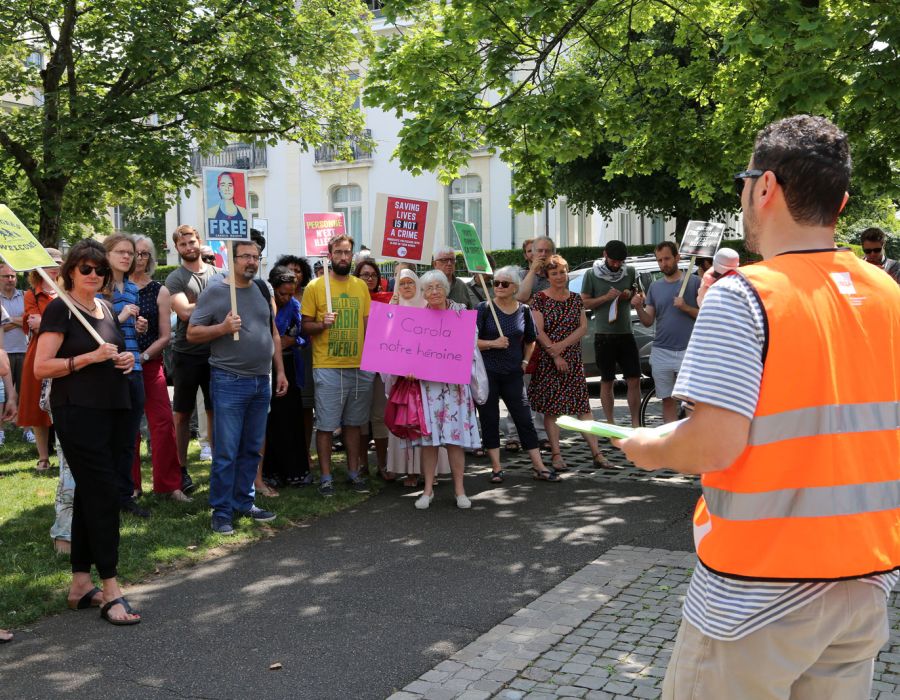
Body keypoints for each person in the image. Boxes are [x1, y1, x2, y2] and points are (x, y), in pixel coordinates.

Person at [616, 115, 900, 699]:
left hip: (755, 591)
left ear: (765, 186)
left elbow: (713, 444)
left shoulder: (744, 295)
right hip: (864, 580)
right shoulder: (888, 294)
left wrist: (650, 447)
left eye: (743, 181)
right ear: (841, 202)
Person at [34, 239, 141, 626]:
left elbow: (109, 356)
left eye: (100, 269)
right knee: (105, 495)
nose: (94, 274)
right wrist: (89, 358)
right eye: (85, 268)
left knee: (90, 493)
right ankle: (111, 589)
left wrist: (122, 359)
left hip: (113, 409)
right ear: (70, 272)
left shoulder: (106, 308)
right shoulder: (60, 309)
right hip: (78, 413)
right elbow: (41, 367)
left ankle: (80, 585)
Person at [188, 240, 287, 534]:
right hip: (229, 380)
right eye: (245, 256)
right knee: (227, 451)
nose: (251, 261)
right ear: (232, 259)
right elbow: (192, 332)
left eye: (256, 256)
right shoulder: (216, 292)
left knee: (252, 448)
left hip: (261, 380)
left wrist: (280, 371)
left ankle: (244, 501)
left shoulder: (262, 289)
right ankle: (221, 511)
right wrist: (222, 328)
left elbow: (273, 332)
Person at [301, 234, 373, 497]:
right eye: (339, 252)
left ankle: (353, 473)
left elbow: (368, 326)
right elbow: (304, 325)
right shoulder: (315, 287)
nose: (344, 257)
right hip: (328, 366)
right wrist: (322, 324)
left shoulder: (360, 286)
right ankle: (326, 477)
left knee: (354, 424)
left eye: (347, 252)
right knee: (326, 425)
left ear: (352, 255)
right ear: (330, 255)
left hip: (360, 366)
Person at [476, 266, 557, 483]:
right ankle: (496, 468)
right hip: (488, 373)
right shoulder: (484, 308)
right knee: (489, 419)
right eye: (496, 283)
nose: (499, 287)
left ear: (515, 287)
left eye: (505, 283)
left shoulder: (524, 310)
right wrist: (493, 343)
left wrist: (525, 361)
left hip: (513, 373)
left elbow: (531, 339)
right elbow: (470, 342)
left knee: (524, 419)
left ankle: (539, 466)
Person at [529, 254, 608, 470]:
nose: (559, 276)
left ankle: (597, 453)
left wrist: (561, 347)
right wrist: (555, 354)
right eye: (554, 273)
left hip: (572, 359)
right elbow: (538, 330)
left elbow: (583, 327)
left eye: (562, 272)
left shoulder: (575, 298)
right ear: (547, 276)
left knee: (583, 407)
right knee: (552, 410)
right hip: (548, 360)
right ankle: (556, 455)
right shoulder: (539, 298)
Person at [409, 270, 481, 509]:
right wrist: (409, 368)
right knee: (429, 442)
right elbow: (411, 351)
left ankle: (460, 491)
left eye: (438, 286)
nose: (434, 292)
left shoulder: (460, 313)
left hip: (454, 388)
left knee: (454, 440)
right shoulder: (418, 319)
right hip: (428, 387)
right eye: (429, 288)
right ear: (423, 293)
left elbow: (471, 346)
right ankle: (427, 490)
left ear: (445, 289)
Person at [129, 235, 190, 502]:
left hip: (150, 364)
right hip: (121, 367)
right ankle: (131, 485)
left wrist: (143, 356)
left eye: (144, 254)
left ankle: (169, 485)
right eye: (135, 253)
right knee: (128, 426)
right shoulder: (112, 288)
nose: (139, 258)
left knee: (163, 423)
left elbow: (165, 336)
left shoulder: (159, 290)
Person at [165, 225, 220, 493]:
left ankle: (220, 468)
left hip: (217, 354)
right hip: (186, 354)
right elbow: (185, 313)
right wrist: (215, 304)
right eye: (183, 244)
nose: (188, 247)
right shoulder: (175, 278)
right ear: (177, 248)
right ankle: (181, 469)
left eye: (192, 242)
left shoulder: (218, 274)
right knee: (182, 415)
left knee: (215, 412)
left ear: (200, 242)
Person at [384, 269, 451, 487]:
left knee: (429, 422)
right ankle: (409, 472)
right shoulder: (392, 309)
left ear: (417, 286)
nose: (406, 287)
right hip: (402, 379)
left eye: (410, 282)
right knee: (406, 422)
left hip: (428, 380)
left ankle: (430, 472)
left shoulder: (428, 308)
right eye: (402, 283)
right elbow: (386, 344)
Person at [102, 234, 150, 517]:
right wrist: (120, 319)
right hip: (110, 368)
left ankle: (125, 496)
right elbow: (96, 328)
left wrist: (139, 326)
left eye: (130, 253)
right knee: (109, 435)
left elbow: (129, 331)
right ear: (106, 254)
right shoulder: (98, 287)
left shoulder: (132, 288)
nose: (127, 257)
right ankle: (108, 496)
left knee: (129, 436)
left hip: (135, 366)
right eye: (120, 252)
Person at [631, 241, 700, 423]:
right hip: (661, 350)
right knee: (667, 400)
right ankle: (671, 438)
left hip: (688, 351)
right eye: (660, 260)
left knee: (690, 402)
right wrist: (638, 308)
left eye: (667, 259)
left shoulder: (694, 282)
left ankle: (690, 437)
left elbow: (706, 315)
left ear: (677, 257)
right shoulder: (655, 287)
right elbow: (648, 321)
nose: (664, 264)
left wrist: (686, 307)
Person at [580, 239, 641, 427]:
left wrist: (630, 295)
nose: (616, 265)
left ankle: (636, 423)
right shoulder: (591, 274)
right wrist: (606, 298)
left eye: (620, 262)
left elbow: (639, 294)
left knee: (634, 379)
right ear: (605, 254)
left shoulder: (630, 271)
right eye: (613, 261)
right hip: (603, 335)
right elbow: (584, 302)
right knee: (607, 380)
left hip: (626, 333)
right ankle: (610, 423)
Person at [262, 266, 311, 487]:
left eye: (291, 294)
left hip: (290, 366)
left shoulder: (295, 306)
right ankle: (271, 471)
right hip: (267, 366)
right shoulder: (263, 305)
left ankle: (295, 471)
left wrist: (290, 340)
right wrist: (277, 342)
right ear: (273, 289)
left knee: (290, 419)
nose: (287, 298)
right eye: (283, 293)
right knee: (270, 421)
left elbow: (302, 336)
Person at [17, 248, 63, 470]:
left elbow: (42, 323)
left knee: (65, 405)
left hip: (67, 352)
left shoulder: (68, 290)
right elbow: (34, 325)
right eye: (50, 263)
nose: (55, 267)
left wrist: (45, 323)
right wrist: (57, 325)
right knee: (38, 408)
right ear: (39, 267)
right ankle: (43, 457)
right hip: (39, 355)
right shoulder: (31, 294)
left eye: (58, 263)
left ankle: (66, 455)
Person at [274, 254, 315, 458]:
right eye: (289, 270)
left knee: (304, 406)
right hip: (275, 361)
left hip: (302, 358)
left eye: (298, 271)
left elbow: (306, 332)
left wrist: (293, 340)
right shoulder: (270, 297)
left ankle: (304, 452)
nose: (294, 274)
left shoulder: (309, 295)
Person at [0, 264, 26, 444]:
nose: (10, 279)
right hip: (3, 353)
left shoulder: (25, 295)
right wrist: (19, 320)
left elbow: (29, 321)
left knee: (24, 392)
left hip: (24, 350)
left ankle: (27, 429)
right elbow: (22, 321)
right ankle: (1, 431)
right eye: (5, 276)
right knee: (2, 394)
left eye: (13, 276)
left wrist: (7, 322)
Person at [206, 172, 249, 239]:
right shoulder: (211, 213)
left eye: (230, 185)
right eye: (223, 185)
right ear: (218, 188)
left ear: (234, 187)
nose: (227, 188)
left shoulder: (244, 212)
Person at [516, 235, 554, 303]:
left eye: (547, 251)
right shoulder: (521, 274)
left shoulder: (558, 274)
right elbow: (521, 298)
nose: (543, 254)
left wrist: (531, 301)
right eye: (540, 251)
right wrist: (533, 270)